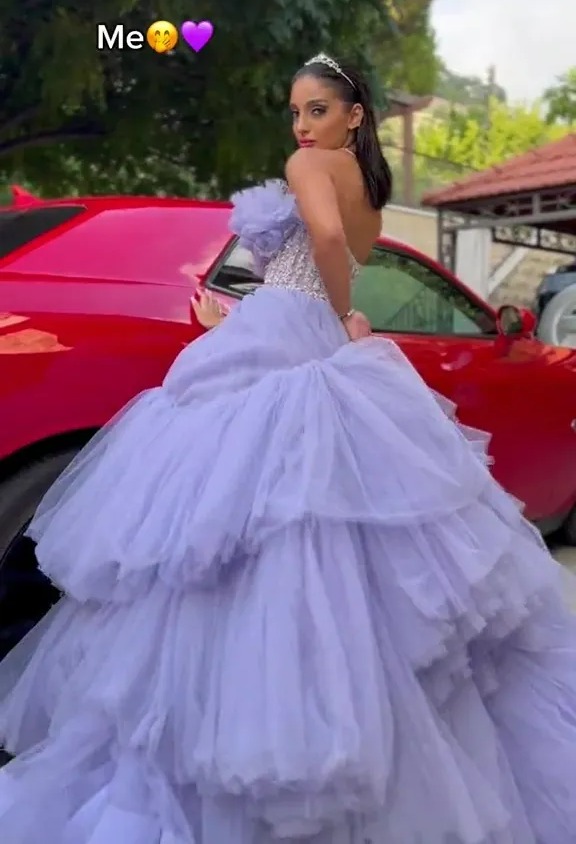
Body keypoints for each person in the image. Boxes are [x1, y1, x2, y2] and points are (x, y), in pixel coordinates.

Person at [0, 53, 574, 844]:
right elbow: (346, 242)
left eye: (317, 109)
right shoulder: (369, 184)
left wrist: (328, 317)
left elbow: (328, 246)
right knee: (317, 524)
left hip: (286, 326)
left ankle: (228, 721)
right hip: (302, 331)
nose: (302, 126)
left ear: (354, 115)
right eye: (297, 112)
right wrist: (333, 320)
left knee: (226, 522)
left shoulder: (310, 167)